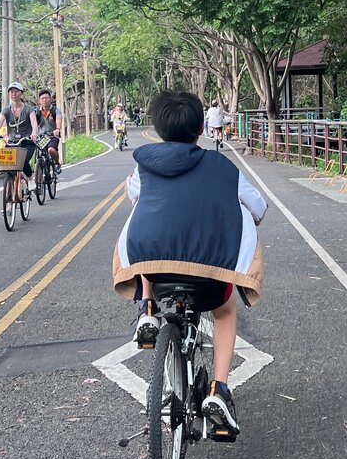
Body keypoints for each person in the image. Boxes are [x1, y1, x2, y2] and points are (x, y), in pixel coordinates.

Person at [112, 89, 266, 439]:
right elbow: (259, 208)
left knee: (149, 242)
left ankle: (148, 308)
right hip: (207, 275)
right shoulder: (224, 168)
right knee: (225, 311)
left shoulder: (144, 165)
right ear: (201, 126)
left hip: (157, 271)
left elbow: (134, 196)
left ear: (159, 128)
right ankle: (219, 390)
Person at [0, 82, 38, 185]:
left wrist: (34, 133)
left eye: (16, 91)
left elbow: (34, 123)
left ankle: (29, 178)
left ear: (21, 93)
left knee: (23, 161)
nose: (14, 94)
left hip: (26, 141)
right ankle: (11, 188)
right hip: (12, 143)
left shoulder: (29, 109)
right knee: (7, 165)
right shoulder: (6, 110)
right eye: (11, 92)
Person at [35, 88, 62, 175]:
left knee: (51, 150)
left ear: (50, 99)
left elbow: (58, 119)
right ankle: (39, 175)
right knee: (39, 153)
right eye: (42, 98)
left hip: (52, 136)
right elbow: (32, 123)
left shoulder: (55, 110)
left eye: (46, 98)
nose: (44, 100)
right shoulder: (36, 112)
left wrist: (57, 129)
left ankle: (57, 163)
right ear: (39, 100)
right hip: (42, 137)